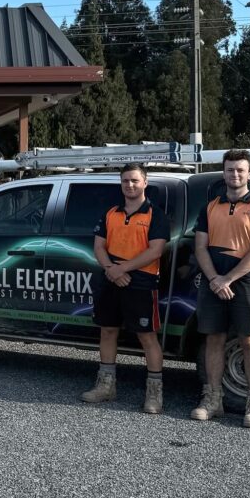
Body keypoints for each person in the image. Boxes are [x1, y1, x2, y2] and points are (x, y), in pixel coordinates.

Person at [192, 149, 250, 428]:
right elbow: (200, 247)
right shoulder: (210, 207)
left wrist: (227, 279)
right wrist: (215, 278)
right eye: (230, 170)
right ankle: (213, 400)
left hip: (246, 281)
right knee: (213, 339)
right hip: (213, 281)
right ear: (224, 173)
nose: (235, 174)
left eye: (240, 170)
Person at [81, 164, 170, 413]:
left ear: (145, 182)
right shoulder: (111, 213)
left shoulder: (155, 215)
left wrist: (123, 269)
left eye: (134, 180)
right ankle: (106, 386)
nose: (129, 185)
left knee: (147, 337)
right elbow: (99, 246)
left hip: (141, 282)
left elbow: (156, 250)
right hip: (111, 278)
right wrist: (111, 268)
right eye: (125, 181)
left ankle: (154, 394)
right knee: (108, 332)